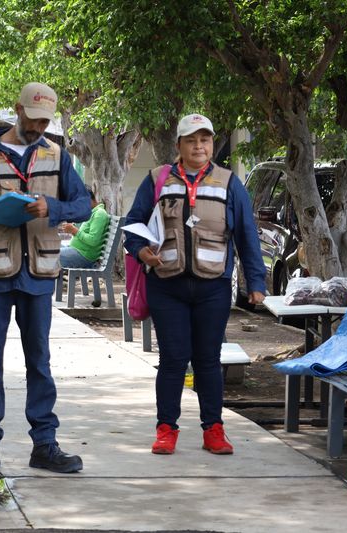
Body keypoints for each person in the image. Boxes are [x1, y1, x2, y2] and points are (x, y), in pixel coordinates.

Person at [0, 82, 90, 473]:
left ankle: (45, 444)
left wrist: (53, 206)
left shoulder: (57, 154)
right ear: (17, 109)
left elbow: (83, 205)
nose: (39, 126)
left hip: (40, 273)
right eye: (33, 118)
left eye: (46, 120)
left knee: (40, 362)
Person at [124, 113, 266, 455]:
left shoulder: (230, 183)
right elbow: (132, 225)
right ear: (179, 145)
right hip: (166, 285)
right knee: (173, 359)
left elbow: (247, 236)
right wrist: (142, 252)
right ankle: (166, 429)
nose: (198, 146)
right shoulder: (157, 179)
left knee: (207, 360)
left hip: (213, 287)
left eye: (204, 140)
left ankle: (213, 430)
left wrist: (256, 283)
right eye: (191, 140)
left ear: (212, 144)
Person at [59, 186, 110, 268]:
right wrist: (73, 230)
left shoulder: (99, 214)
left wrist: (75, 231)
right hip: (78, 250)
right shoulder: (92, 212)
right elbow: (84, 235)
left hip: (85, 256)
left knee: (49, 255)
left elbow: (93, 240)